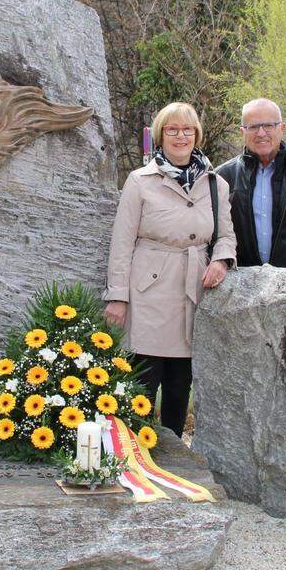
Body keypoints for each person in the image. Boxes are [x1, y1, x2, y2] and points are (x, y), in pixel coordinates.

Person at [103, 102, 237, 436]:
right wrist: (117, 296)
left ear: (197, 134)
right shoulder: (139, 181)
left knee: (180, 386)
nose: (180, 136)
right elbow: (121, 242)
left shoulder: (215, 184)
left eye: (187, 130)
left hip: (193, 292)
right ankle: (135, 459)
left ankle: (175, 460)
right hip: (148, 293)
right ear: (161, 136)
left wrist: (221, 260)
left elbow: (226, 234)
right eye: (172, 130)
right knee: (142, 384)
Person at [215, 98, 286, 271]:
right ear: (242, 132)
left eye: (269, 125)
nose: (261, 133)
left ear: (282, 128)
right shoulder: (222, 177)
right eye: (253, 127)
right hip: (241, 285)